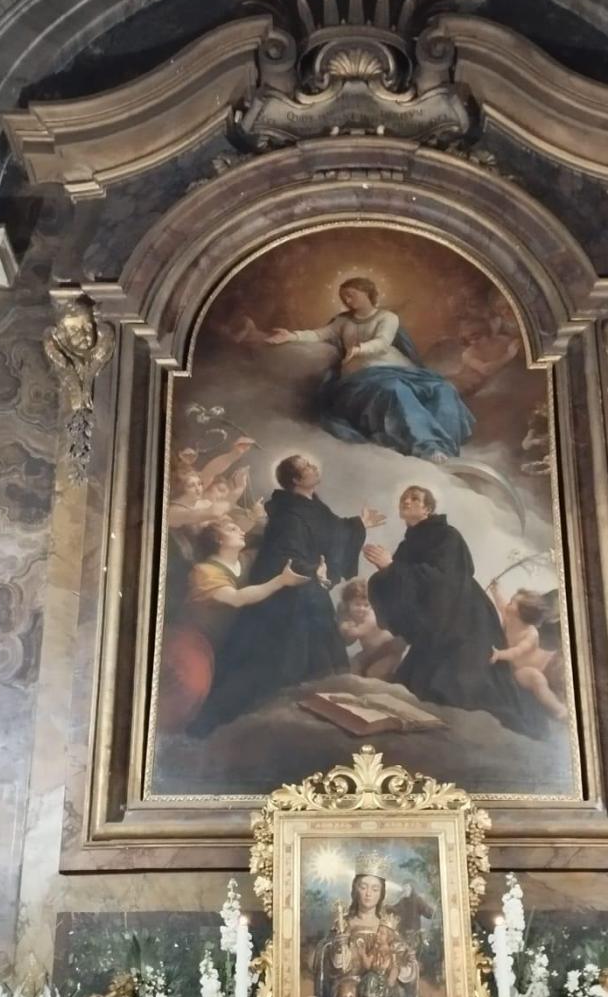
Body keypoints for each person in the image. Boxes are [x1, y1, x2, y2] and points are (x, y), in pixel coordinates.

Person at [189, 455, 386, 733]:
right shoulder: (287, 513)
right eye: (306, 467)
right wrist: (312, 570)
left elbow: (333, 529)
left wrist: (359, 525)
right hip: (286, 595)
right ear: (295, 480)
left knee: (317, 652)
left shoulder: (312, 504)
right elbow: (284, 553)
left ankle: (323, 715)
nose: (315, 467)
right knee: (275, 659)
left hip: (306, 587)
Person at [364, 485, 548, 739]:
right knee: (413, 688)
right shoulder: (409, 542)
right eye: (404, 498)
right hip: (440, 623)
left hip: (467, 621)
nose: (406, 501)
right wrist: (386, 573)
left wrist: (392, 568)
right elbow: (408, 587)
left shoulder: (447, 536)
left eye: (414, 498)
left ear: (427, 508)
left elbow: (443, 580)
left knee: (461, 692)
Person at [267, 278, 474, 462]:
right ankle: (428, 446)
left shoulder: (387, 317)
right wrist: (291, 336)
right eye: (343, 296)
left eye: (351, 294)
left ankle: (447, 447)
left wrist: (359, 348)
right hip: (362, 378)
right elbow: (318, 334)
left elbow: (382, 343)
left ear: (367, 293)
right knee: (394, 390)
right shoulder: (342, 321)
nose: (347, 300)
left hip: (398, 368)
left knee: (443, 388)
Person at [158, 517, 307, 730]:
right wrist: (281, 581)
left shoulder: (245, 561)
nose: (240, 530)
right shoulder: (205, 571)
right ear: (218, 539)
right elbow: (236, 598)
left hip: (220, 644)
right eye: (232, 528)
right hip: (190, 638)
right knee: (189, 684)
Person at [311, 871, 419, 997]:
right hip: (351, 980)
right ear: (356, 889)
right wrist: (339, 947)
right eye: (363, 887)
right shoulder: (344, 924)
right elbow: (329, 959)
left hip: (382, 981)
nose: (368, 894)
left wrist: (405, 961)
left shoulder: (387, 926)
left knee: (396, 994)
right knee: (347, 992)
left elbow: (402, 958)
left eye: (375, 889)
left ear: (381, 894)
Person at [487, 582, 568, 721]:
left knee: (563, 668)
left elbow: (517, 652)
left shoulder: (530, 634)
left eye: (512, 603)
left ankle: (568, 698)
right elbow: (502, 605)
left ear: (521, 614)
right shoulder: (509, 618)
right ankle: (557, 708)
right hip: (522, 670)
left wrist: (500, 654)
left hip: (546, 663)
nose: (508, 604)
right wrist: (496, 591)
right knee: (537, 679)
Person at [336, 578, 406, 680]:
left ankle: (383, 686)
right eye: (357, 604)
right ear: (348, 604)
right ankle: (356, 688)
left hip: (389, 651)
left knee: (373, 673)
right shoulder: (351, 616)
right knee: (353, 665)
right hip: (369, 652)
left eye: (366, 605)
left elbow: (354, 633)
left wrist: (344, 627)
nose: (362, 609)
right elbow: (349, 641)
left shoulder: (371, 617)